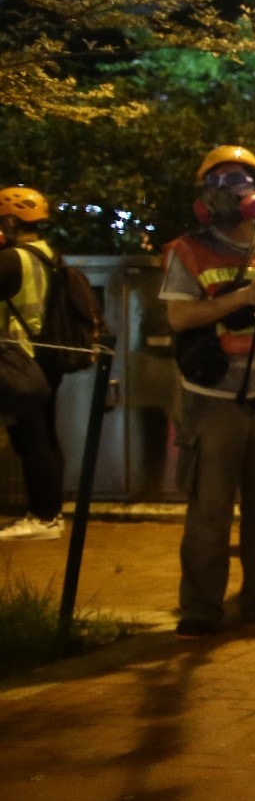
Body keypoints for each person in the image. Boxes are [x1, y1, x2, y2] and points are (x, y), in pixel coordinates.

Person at [161, 146, 255, 637]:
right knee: (210, 511)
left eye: (238, 180)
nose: (226, 190)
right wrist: (242, 298)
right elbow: (179, 317)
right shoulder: (188, 250)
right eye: (216, 181)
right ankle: (201, 608)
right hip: (213, 398)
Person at [0, 188, 70, 541]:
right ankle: (51, 513)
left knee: (32, 442)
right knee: (46, 438)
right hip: (47, 357)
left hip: (20, 359)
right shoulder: (48, 254)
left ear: (11, 221)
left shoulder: (12, 259)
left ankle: (43, 517)